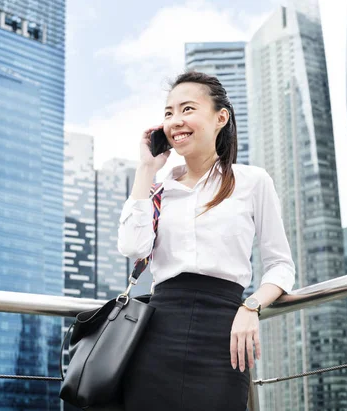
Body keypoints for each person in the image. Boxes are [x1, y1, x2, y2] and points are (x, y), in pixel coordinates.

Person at [117, 71, 295, 411]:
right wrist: (146, 169)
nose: (175, 121)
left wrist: (251, 305)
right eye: (168, 113)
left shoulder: (252, 181)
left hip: (225, 336)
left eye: (187, 109)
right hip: (156, 335)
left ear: (220, 117)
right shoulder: (158, 190)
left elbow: (280, 265)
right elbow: (132, 248)